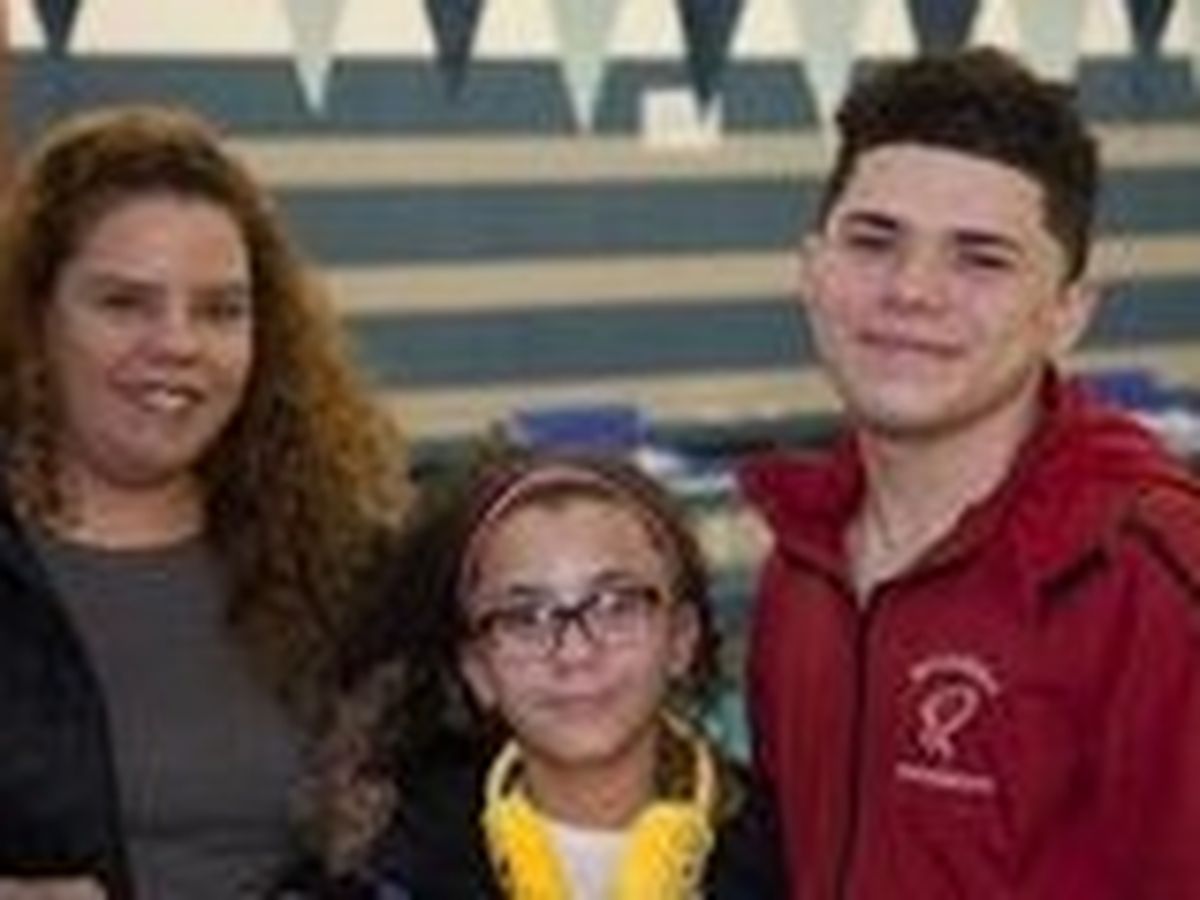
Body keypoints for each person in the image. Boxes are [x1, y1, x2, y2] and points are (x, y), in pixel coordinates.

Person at [738, 46, 1200, 899]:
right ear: (812, 271)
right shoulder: (801, 562)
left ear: (1066, 315)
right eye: (874, 241)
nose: (913, 291)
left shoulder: (1150, 574)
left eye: (981, 259)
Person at [0, 105, 408, 898]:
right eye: (124, 303)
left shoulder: (342, 557)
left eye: (220, 310)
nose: (178, 344)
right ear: (33, 317)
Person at [302, 450, 784, 898]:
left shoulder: (790, 853)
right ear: (478, 670)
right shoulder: (383, 875)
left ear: (680, 639)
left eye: (615, 605)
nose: (574, 652)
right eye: (525, 618)